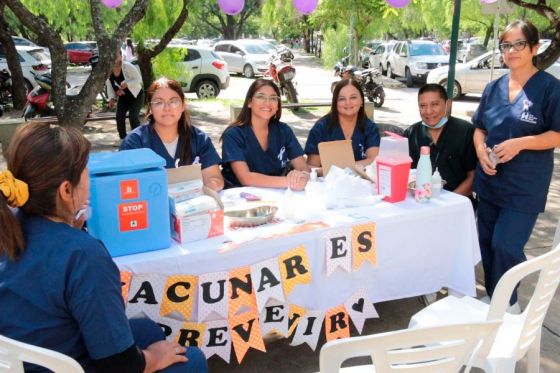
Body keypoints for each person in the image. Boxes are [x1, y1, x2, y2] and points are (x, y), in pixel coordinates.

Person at [0, 122, 208, 373]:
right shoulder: (84, 255)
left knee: (147, 329)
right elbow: (120, 364)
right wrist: (152, 358)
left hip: (19, 359)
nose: (89, 178)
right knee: (192, 360)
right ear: (66, 190)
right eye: (87, 172)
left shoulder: (8, 224)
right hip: (66, 365)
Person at [472, 20, 560, 310]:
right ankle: (494, 296)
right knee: (485, 242)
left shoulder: (550, 89)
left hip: (524, 187)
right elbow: (480, 128)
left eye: (519, 44)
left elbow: (556, 135)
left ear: (535, 47)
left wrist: (519, 143)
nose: (511, 51)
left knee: (506, 245)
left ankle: (508, 304)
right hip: (490, 181)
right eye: (506, 45)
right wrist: (481, 151)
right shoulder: (493, 87)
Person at [121, 77, 224, 192]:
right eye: (159, 102)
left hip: (192, 205)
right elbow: (126, 187)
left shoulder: (199, 139)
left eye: (173, 101)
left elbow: (214, 178)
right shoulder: (135, 143)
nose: (167, 108)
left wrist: (200, 192)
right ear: (150, 108)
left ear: (183, 105)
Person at [221, 78, 310, 190]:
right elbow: (246, 179)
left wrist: (300, 176)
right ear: (249, 102)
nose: (267, 103)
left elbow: (303, 168)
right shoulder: (233, 135)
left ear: (278, 105)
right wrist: (289, 181)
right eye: (260, 96)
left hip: (277, 195)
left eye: (273, 98)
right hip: (241, 197)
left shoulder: (284, 131)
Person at [404, 84, 477, 201]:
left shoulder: (465, 131)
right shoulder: (411, 133)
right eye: (423, 106)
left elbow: (473, 177)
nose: (428, 111)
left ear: (447, 104)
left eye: (434, 104)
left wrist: (449, 203)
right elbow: (405, 174)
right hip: (419, 200)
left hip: (457, 202)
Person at [305, 79, 380, 169]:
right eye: (342, 99)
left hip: (363, 181)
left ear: (361, 101)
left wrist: (342, 169)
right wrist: (346, 169)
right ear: (335, 103)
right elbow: (312, 167)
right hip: (328, 181)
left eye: (353, 97)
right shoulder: (321, 128)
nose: (348, 103)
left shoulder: (370, 128)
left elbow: (373, 161)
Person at [106, 49, 144, 140]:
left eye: (116, 55)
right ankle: (123, 139)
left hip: (136, 96)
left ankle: (138, 138)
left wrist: (127, 84)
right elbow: (110, 85)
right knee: (119, 117)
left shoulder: (127, 66)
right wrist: (111, 99)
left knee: (133, 117)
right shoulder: (109, 70)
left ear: (120, 56)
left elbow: (139, 79)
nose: (114, 58)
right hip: (123, 98)